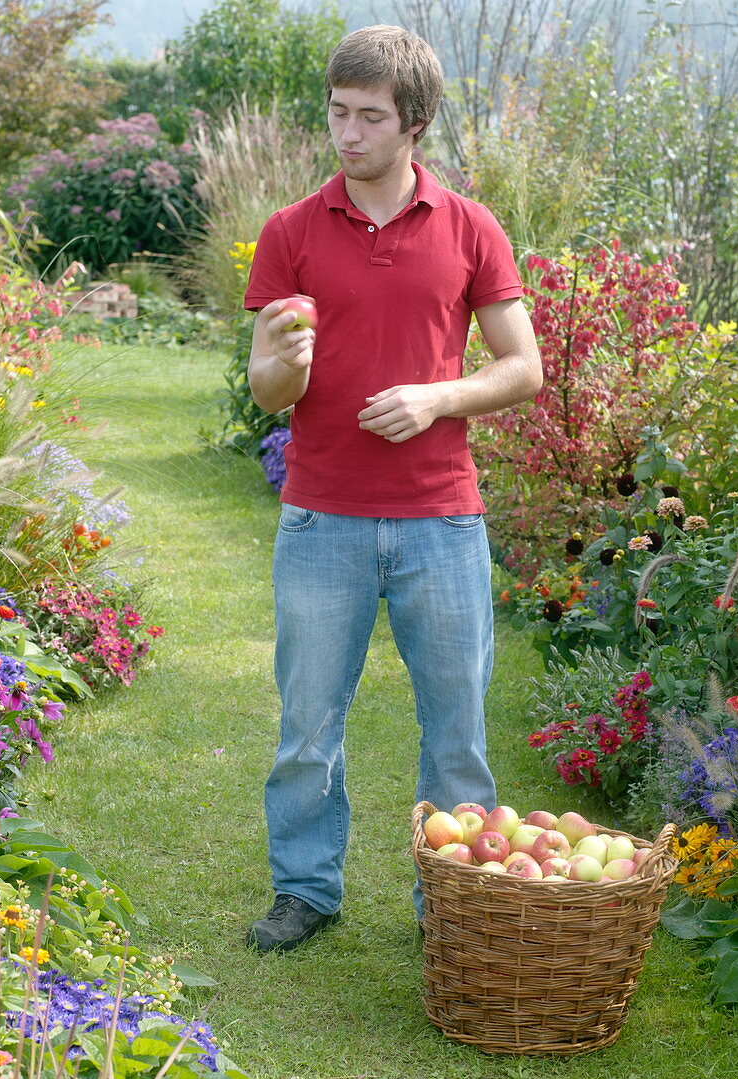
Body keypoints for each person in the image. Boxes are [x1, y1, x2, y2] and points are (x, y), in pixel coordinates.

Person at [243, 24, 543, 952]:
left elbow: (522, 366)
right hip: (321, 516)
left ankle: (453, 900)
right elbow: (267, 388)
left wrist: (438, 396)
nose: (348, 133)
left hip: (442, 520)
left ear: (413, 124)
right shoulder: (291, 232)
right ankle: (305, 889)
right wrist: (284, 363)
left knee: (455, 731)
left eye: (370, 116)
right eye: (338, 112)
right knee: (306, 726)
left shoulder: (470, 228)